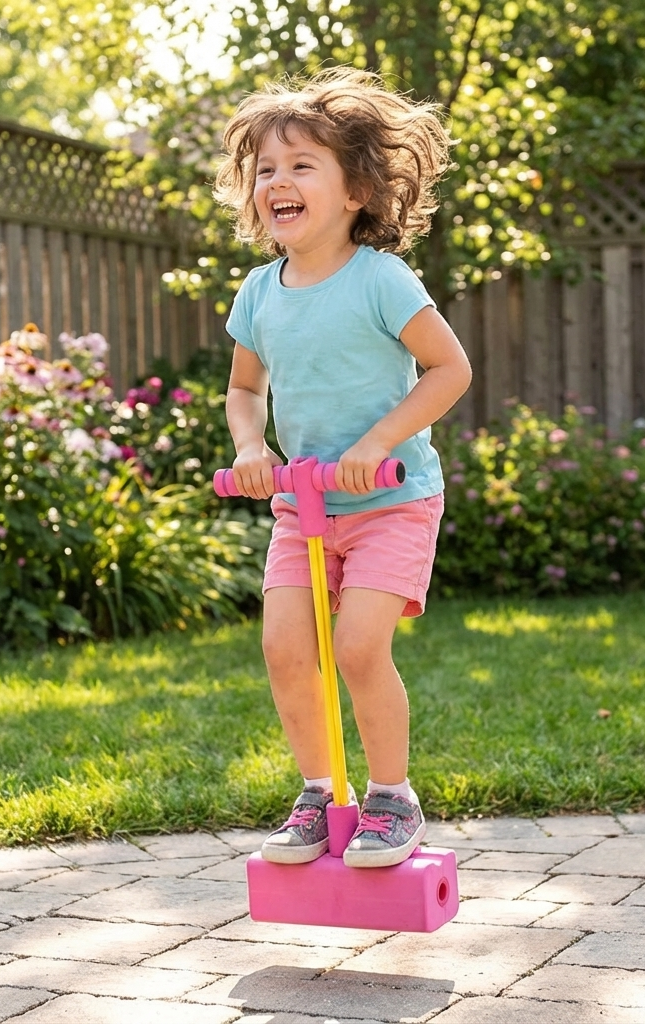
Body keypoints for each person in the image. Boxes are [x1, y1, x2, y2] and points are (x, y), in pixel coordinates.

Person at [215, 69, 472, 868]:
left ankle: (392, 799)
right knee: (286, 649)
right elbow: (244, 389)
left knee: (359, 648)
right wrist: (251, 447)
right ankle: (320, 792)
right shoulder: (260, 292)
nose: (277, 182)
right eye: (265, 170)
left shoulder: (380, 280)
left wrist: (376, 444)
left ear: (356, 188)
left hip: (392, 501)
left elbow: (449, 371)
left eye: (300, 166)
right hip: (303, 506)